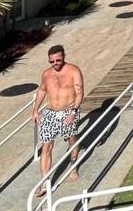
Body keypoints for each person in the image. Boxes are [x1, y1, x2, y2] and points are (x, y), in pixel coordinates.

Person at [32, 45, 84, 194]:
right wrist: (35, 110)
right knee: (46, 146)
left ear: (64, 57)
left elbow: (80, 93)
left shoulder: (74, 71)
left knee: (72, 140)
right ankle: (44, 182)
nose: (55, 63)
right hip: (50, 112)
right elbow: (42, 90)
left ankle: (73, 167)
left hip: (69, 110)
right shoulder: (47, 74)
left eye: (58, 60)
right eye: (52, 61)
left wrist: (73, 112)